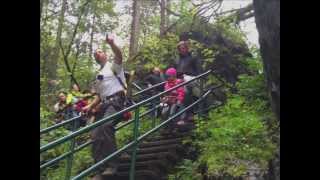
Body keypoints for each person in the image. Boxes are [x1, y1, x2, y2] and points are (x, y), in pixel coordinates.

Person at [82, 34, 126, 177]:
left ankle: (112, 164)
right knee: (95, 135)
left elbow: (119, 54)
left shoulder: (113, 67)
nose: (97, 54)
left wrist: (112, 44)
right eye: (95, 54)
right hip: (104, 105)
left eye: (100, 51)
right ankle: (99, 169)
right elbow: (99, 96)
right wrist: (89, 106)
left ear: (106, 55)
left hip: (117, 101)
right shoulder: (98, 75)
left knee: (106, 126)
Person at [160, 68, 186, 133]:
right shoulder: (167, 84)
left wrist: (179, 99)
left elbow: (181, 92)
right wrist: (164, 98)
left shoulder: (179, 82)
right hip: (169, 101)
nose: (168, 77)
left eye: (169, 76)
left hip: (176, 100)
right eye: (167, 76)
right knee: (164, 113)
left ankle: (175, 127)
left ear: (174, 76)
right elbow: (165, 93)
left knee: (172, 112)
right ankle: (166, 127)